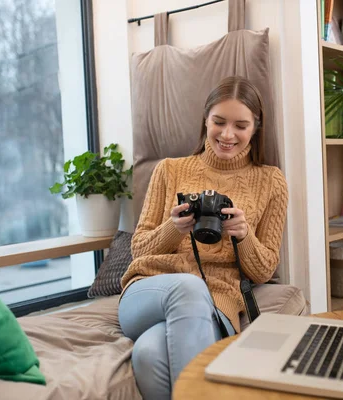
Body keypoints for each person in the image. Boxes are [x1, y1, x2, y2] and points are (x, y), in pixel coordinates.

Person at [118, 76, 289, 399]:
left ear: (256, 127)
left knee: (148, 354)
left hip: (213, 304)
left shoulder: (271, 181)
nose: (227, 134)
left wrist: (244, 236)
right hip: (148, 292)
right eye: (219, 122)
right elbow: (138, 250)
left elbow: (264, 270)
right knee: (189, 285)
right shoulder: (169, 170)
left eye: (240, 125)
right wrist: (175, 228)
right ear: (205, 121)